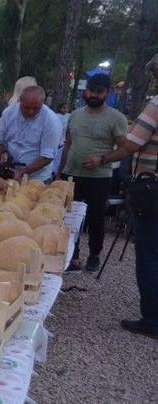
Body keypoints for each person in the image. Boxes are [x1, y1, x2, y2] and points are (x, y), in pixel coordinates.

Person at [81, 54, 158, 337]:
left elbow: (132, 144)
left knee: (149, 254)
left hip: (151, 188)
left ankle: (152, 319)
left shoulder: (156, 105)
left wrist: (104, 158)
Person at [57, 73, 128, 272]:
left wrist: (102, 159)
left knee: (96, 218)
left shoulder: (116, 118)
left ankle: (94, 255)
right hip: (71, 175)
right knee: (69, 217)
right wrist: (60, 171)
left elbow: (124, 149)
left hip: (99, 177)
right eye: (90, 90)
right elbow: (68, 145)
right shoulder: (75, 115)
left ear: (107, 93)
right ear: (85, 90)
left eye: (99, 92)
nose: (93, 95)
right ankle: (72, 254)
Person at [0, 85, 62, 182]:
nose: (30, 111)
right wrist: (2, 153)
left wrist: (22, 172)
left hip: (37, 179)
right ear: (20, 100)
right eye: (26, 107)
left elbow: (47, 157)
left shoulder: (51, 121)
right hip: (8, 173)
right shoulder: (9, 113)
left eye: (36, 108)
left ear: (43, 103)